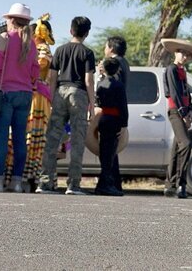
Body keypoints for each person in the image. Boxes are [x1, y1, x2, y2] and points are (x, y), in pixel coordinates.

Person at [0, 4, 39, 193]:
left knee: (2, 139)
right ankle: (17, 182)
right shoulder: (32, 43)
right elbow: (35, 72)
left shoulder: (5, 37)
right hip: (25, 94)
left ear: (11, 20)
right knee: (20, 138)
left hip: (5, 93)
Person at [37, 16, 96, 195]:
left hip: (60, 91)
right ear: (87, 33)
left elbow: (52, 77)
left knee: (52, 139)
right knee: (78, 140)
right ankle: (73, 184)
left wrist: (53, 98)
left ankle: (45, 183)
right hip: (78, 93)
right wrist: (92, 104)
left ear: (71, 30)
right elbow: (89, 80)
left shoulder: (60, 51)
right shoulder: (87, 53)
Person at [161, 38, 192, 199]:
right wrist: (183, 113)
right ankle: (180, 183)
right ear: (176, 52)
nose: (184, 56)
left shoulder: (183, 72)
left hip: (183, 112)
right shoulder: (171, 69)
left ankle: (171, 185)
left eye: (187, 55)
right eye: (182, 53)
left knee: (177, 147)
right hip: (175, 111)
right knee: (186, 144)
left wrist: (190, 112)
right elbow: (174, 93)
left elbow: (186, 95)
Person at [22, 14, 55, 189]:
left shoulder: (42, 49)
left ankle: (33, 177)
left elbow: (40, 65)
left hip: (38, 97)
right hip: (29, 93)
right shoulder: (30, 48)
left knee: (35, 135)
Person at [93, 57, 128, 197]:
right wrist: (124, 125)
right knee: (110, 153)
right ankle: (105, 185)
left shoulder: (100, 84)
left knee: (104, 152)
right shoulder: (119, 85)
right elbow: (123, 107)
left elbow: (98, 102)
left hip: (103, 119)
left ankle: (103, 184)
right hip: (114, 120)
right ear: (117, 69)